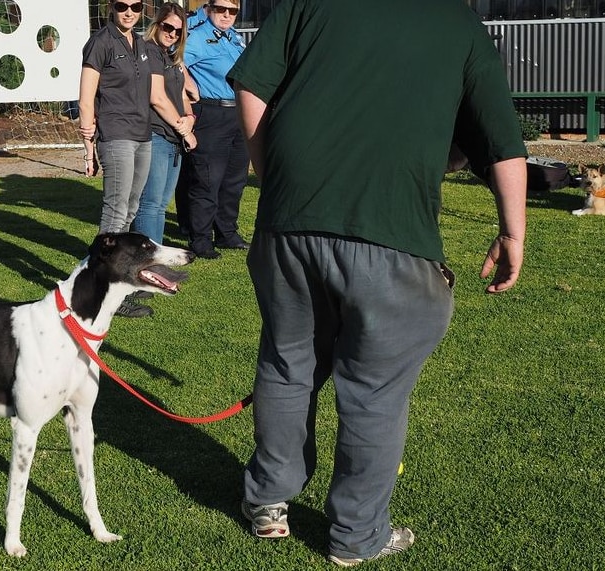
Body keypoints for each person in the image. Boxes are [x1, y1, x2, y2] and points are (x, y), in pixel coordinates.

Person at [228, 0, 527, 566]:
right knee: (373, 392)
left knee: (288, 365)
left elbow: (250, 85)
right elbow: (503, 141)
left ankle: (267, 501)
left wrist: (273, 179)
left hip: (287, 226)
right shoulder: (457, 22)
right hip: (392, 237)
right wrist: (513, 232)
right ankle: (356, 536)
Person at [78, 0, 154, 317]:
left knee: (131, 208)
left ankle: (118, 281)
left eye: (135, 6)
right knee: (115, 212)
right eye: (122, 5)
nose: (129, 12)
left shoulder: (141, 43)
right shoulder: (100, 43)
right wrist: (88, 148)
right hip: (115, 135)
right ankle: (99, 288)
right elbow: (85, 98)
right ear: (111, 7)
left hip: (142, 135)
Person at [182, 0, 250, 259]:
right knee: (208, 179)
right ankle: (200, 238)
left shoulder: (234, 38)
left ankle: (227, 232)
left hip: (237, 112)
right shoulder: (198, 37)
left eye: (232, 11)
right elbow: (175, 62)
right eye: (221, 9)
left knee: (235, 179)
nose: (226, 15)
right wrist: (189, 87)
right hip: (211, 112)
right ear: (209, 9)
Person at [133, 3, 197, 245]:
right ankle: (146, 262)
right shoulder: (149, 51)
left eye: (179, 31)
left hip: (173, 137)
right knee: (150, 204)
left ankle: (152, 258)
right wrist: (186, 131)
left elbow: (184, 95)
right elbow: (157, 98)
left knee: (160, 204)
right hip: (156, 135)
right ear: (157, 24)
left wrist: (190, 119)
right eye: (168, 27)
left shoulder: (170, 56)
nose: (172, 33)